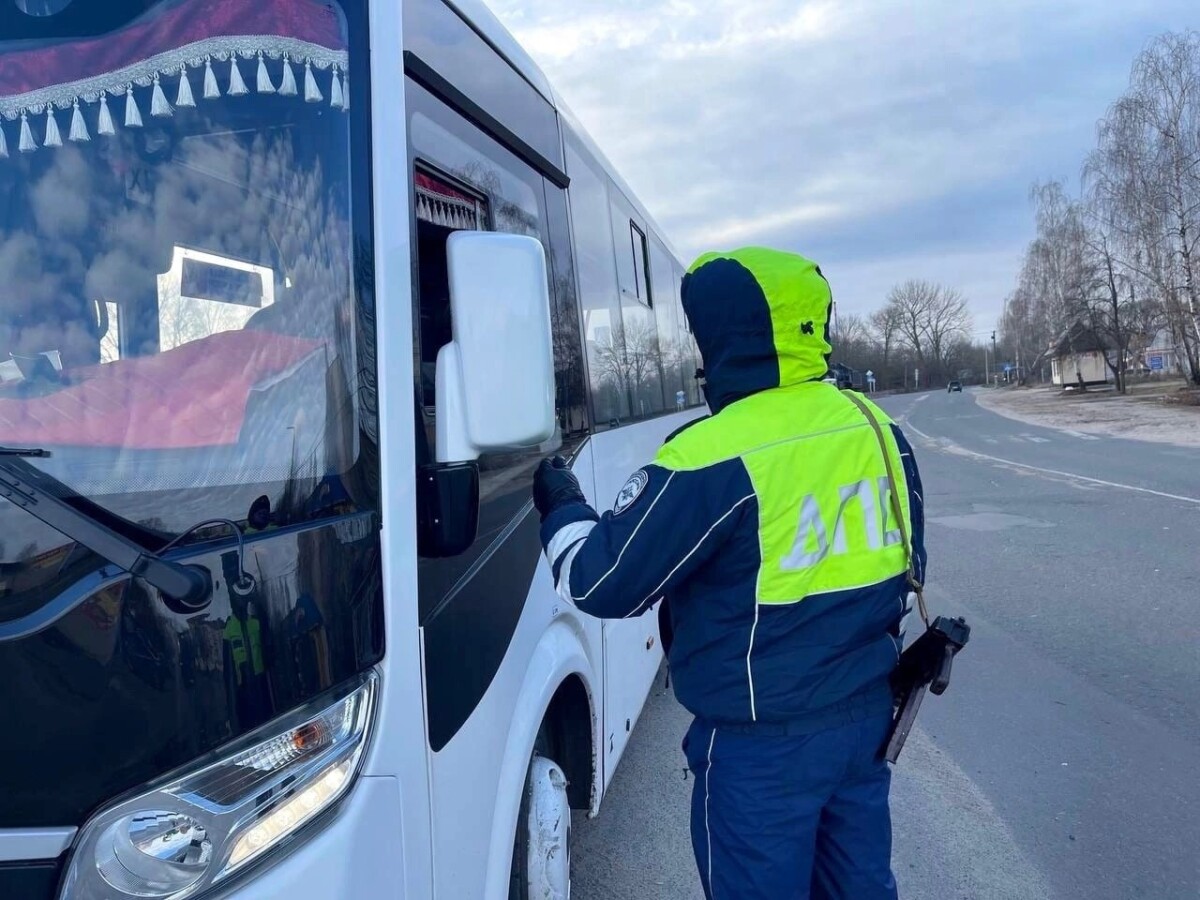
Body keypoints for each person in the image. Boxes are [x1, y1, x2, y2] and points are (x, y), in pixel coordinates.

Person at [533, 247, 926, 900]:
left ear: (722, 336)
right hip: (864, 725)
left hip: (760, 750)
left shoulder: (711, 455)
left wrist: (561, 504)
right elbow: (905, 566)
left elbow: (602, 583)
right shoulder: (878, 428)